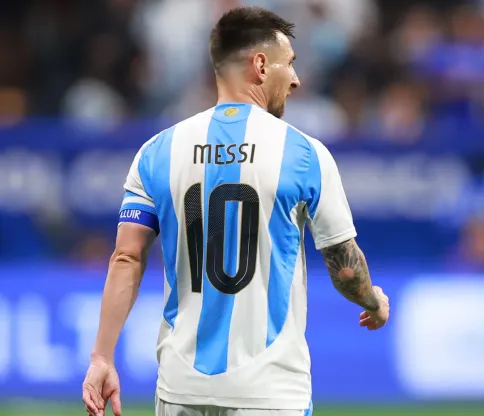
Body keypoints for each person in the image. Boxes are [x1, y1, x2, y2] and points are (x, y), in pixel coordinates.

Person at [81, 7, 390, 416]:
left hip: (181, 388)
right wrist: (372, 301)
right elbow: (346, 269)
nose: (295, 79)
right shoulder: (303, 153)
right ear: (260, 65)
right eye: (290, 64)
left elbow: (126, 256)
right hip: (270, 391)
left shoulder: (157, 151)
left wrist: (102, 358)